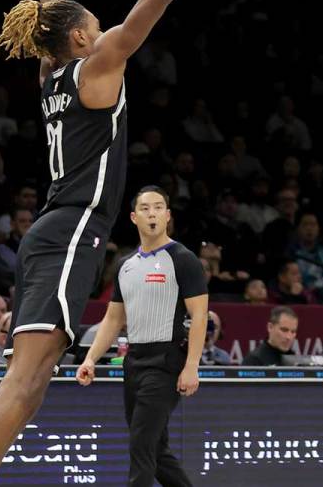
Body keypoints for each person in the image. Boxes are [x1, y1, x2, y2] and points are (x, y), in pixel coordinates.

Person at [0, 0, 239, 487]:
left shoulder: (55, 70)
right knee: (26, 377)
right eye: (95, 24)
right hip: (74, 228)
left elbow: (51, 13)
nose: (103, 27)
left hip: (51, 233)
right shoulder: (98, 64)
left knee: (34, 379)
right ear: (85, 40)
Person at [76, 186, 208, 487]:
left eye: (159, 207)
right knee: (156, 451)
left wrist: (192, 366)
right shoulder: (125, 265)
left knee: (141, 445)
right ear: (134, 217)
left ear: (168, 215)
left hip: (166, 362)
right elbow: (113, 318)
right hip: (133, 362)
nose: (153, 213)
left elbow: (199, 316)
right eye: (146, 208)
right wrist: (91, 358)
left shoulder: (184, 259)